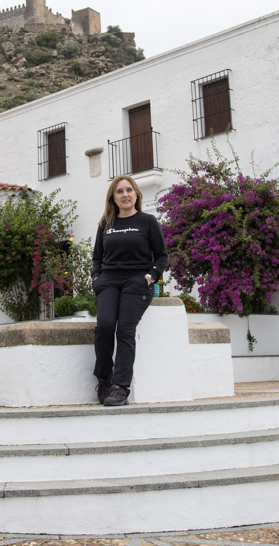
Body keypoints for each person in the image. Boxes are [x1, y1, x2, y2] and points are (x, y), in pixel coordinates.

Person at [90, 174, 168, 407]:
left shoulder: (148, 221)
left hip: (137, 281)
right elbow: (97, 257)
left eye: (129, 190)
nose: (125, 194)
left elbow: (162, 256)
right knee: (104, 326)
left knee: (125, 329)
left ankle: (121, 387)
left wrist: (150, 276)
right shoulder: (106, 224)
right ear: (113, 198)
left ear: (136, 194)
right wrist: (96, 278)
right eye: (120, 191)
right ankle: (104, 379)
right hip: (109, 281)